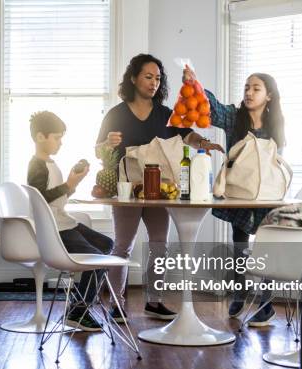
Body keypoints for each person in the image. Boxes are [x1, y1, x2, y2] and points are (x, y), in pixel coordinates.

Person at [95, 54, 224, 323]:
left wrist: (204, 143)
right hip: (127, 189)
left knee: (159, 245)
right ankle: (116, 305)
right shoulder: (116, 114)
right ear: (133, 78)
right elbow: (98, 151)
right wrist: (107, 143)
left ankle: (154, 301)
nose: (154, 83)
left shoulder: (165, 114)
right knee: (122, 247)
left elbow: (186, 134)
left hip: (161, 188)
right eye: (148, 76)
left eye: (158, 78)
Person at [185, 67, 286, 327]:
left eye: (256, 88)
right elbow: (212, 108)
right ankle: (239, 290)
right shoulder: (234, 117)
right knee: (239, 240)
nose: (249, 93)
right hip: (240, 191)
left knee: (267, 245)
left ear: (269, 96)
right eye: (246, 88)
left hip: (266, 194)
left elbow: (277, 161)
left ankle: (265, 302)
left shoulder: (276, 125)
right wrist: (195, 84)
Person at [27, 111, 113, 331]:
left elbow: (57, 198)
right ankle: (78, 311)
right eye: (56, 137)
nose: (60, 143)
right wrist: (68, 184)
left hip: (65, 222)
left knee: (106, 245)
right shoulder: (36, 165)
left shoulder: (50, 163)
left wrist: (73, 183)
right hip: (55, 229)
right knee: (98, 258)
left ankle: (78, 304)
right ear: (40, 137)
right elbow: (40, 199)